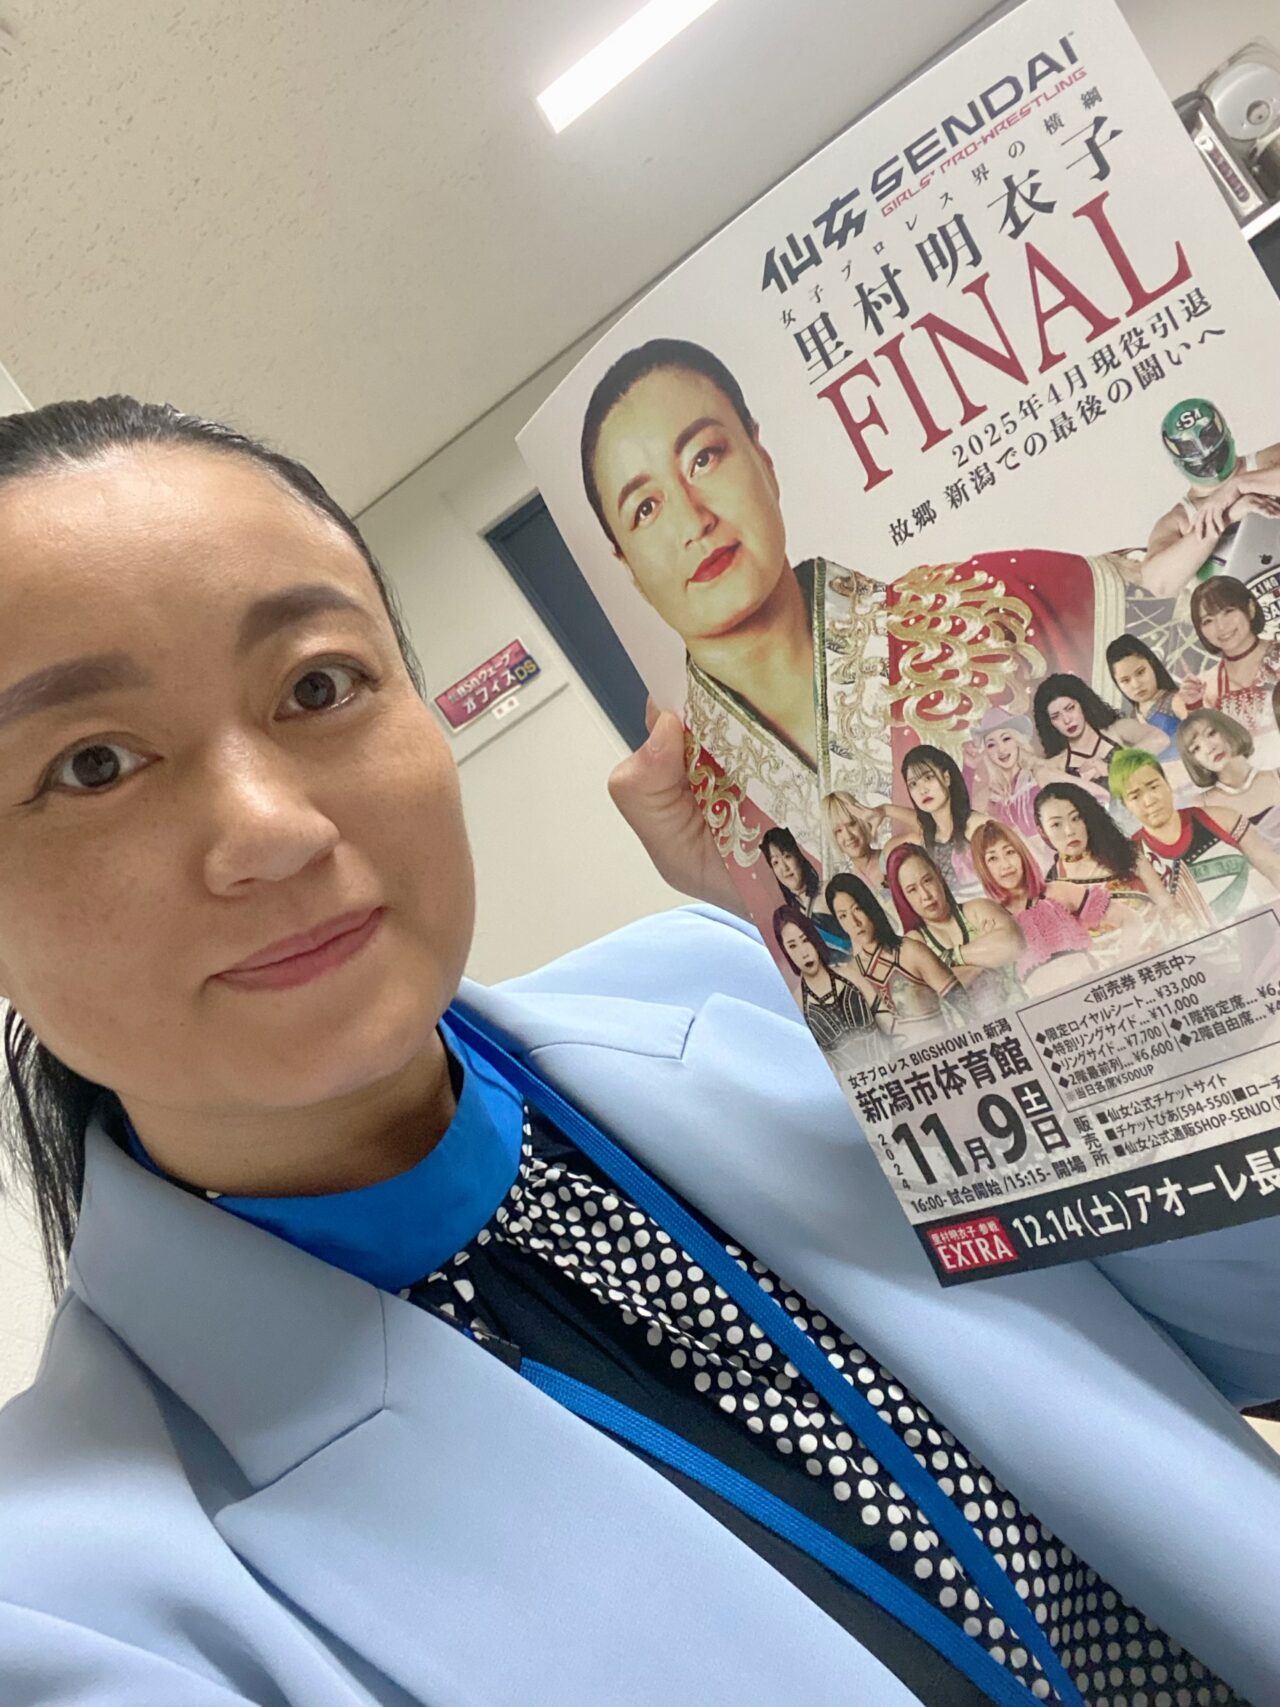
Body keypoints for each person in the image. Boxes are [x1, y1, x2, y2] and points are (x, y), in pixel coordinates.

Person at [0, 400, 1275, 1707]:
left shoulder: (739, 981)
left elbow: (1250, 1324)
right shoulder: (57, 1600)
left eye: (319, 686)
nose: (272, 828)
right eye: (92, 764)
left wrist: (1148, 962)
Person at [579, 337, 1124, 868]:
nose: (693, 522)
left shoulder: (1000, 605)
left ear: (763, 459)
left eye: (705, 458)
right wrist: (709, 875)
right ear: (627, 565)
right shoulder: (704, 803)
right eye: (645, 508)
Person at [1109, 746, 1280, 927]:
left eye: (1153, 786)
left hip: (1260, 929)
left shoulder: (1222, 818)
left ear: (1167, 784)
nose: (1149, 800)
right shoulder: (1133, 857)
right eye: (1135, 796)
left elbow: (1272, 865)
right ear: (1125, 805)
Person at [969, 820, 1138, 994]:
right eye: (992, 858)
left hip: (1093, 993)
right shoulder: (990, 921)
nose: (1005, 865)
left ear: (1021, 854)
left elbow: (1131, 919)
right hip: (1050, 1006)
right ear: (982, 868)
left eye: (1010, 852)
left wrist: (1123, 968)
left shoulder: (1056, 892)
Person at [1138, 399, 1280, 597]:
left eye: (1208, 438)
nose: (1207, 456)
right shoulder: (1179, 520)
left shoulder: (1269, 460)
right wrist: (1226, 516)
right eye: (1190, 449)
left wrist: (1239, 485)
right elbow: (1159, 585)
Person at [883, 843, 1023, 1017]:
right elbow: (932, 998)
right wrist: (986, 957)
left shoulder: (978, 908)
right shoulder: (913, 942)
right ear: (903, 898)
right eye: (912, 890)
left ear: (938, 875)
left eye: (927, 880)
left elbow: (1014, 944)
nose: (925, 895)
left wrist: (947, 959)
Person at [823, 872, 962, 1045]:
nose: (854, 922)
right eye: (843, 916)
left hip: (946, 1050)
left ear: (869, 906)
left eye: (857, 909)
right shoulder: (851, 975)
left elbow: (964, 1005)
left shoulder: (911, 951)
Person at [1032, 782, 1171, 936]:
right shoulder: (1052, 890)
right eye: (1056, 824)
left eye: (1076, 818)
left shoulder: (1125, 854)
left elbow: (1167, 904)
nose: (1069, 831)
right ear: (1042, 832)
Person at [1032, 673, 1166, 798]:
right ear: (1049, 723)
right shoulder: (1057, 764)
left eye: (1070, 708)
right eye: (1055, 717)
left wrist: (1111, 767)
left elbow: (1160, 738)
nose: (1066, 720)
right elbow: (1041, 774)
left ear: (1083, 703)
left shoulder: (1117, 729)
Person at [1182, 574, 1280, 738]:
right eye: (1208, 621)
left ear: (1250, 608)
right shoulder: (1205, 687)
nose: (1221, 626)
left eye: (1228, 611)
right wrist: (1194, 706)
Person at [890, 745, 990, 901]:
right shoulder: (926, 842)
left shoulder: (976, 826)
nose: (922, 790)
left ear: (946, 778)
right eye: (913, 784)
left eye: (928, 777)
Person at [773, 903, 873, 1057]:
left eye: (805, 940)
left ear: (813, 938)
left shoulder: (850, 975)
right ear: (785, 951)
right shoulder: (797, 1005)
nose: (804, 953)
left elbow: (890, 1024)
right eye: (792, 946)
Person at [1177, 708, 1280, 852]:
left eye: (1211, 734)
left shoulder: (1276, 777)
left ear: (1229, 728)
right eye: (1196, 748)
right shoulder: (1201, 807)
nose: (1209, 748)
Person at [960, 707, 1045, 849]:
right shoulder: (991, 796)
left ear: (1018, 741)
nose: (1001, 749)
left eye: (1006, 739)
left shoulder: (1038, 779)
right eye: (991, 744)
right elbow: (961, 815)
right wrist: (969, 768)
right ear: (987, 752)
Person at [761, 824, 847, 956]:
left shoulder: (829, 891)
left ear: (798, 856)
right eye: (775, 862)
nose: (784, 868)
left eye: (787, 856)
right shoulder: (791, 916)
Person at [1105, 634, 1188, 758]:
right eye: (1125, 680)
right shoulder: (1131, 720)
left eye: (1140, 672)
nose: (1136, 684)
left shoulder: (1176, 701)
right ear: (1117, 683)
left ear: (1152, 665)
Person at [820, 789, 894, 893]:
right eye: (838, 831)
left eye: (851, 824)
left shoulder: (891, 856)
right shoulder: (847, 887)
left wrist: (885, 810)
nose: (848, 836)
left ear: (862, 822)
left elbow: (919, 831)